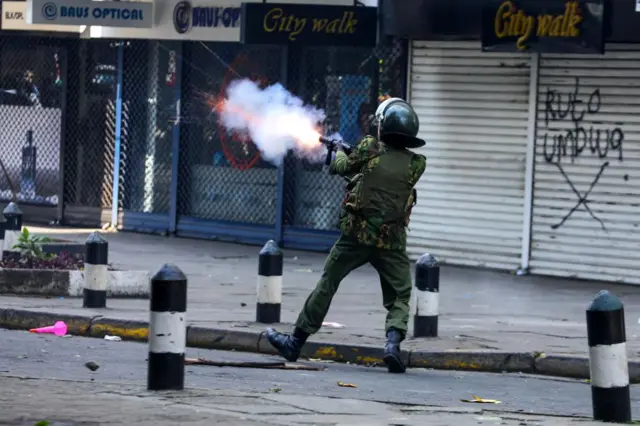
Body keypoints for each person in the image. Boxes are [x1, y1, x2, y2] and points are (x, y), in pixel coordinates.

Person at [266, 97, 427, 374]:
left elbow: (339, 167)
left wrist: (339, 151)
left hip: (356, 236)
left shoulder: (369, 148)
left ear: (382, 126)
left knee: (328, 282)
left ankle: (295, 342)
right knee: (400, 294)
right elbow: (383, 178)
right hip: (391, 241)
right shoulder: (416, 164)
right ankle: (392, 346)